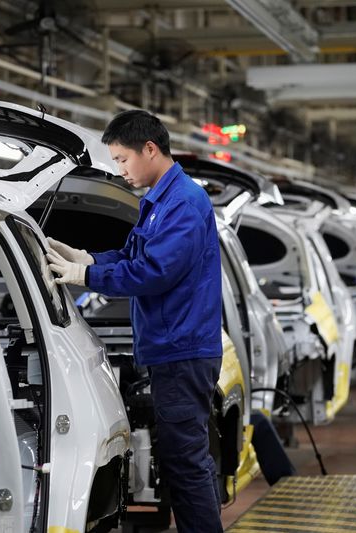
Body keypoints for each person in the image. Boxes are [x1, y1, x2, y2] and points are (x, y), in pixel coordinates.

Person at [46, 110, 224, 532]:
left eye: (123, 159)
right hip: (172, 348)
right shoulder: (160, 201)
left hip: (182, 350)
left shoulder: (183, 202)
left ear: (150, 149)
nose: (119, 170)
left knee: (185, 462)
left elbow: (155, 272)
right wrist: (88, 258)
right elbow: (133, 258)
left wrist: (87, 276)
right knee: (182, 460)